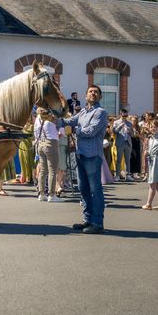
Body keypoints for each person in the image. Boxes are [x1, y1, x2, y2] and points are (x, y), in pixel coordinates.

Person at [57, 85, 109, 234]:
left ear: (100, 97)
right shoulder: (83, 112)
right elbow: (67, 122)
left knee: (95, 190)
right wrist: (52, 117)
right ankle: (88, 219)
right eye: (90, 92)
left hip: (92, 155)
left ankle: (97, 223)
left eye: (96, 92)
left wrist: (74, 130)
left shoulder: (101, 113)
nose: (93, 94)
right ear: (85, 96)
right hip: (81, 154)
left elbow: (90, 131)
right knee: (84, 189)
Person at [34, 107, 61, 202]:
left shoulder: (37, 120)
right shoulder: (51, 121)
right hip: (50, 144)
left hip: (40, 144)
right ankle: (51, 195)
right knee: (52, 170)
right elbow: (59, 133)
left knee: (43, 170)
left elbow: (36, 134)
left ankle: (41, 194)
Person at [113, 108, 133, 181]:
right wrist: (120, 126)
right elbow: (114, 131)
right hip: (120, 142)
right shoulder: (116, 122)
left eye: (126, 115)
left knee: (128, 160)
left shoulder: (129, 123)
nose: (125, 117)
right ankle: (117, 175)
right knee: (119, 159)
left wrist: (130, 130)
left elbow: (133, 135)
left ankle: (128, 175)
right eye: (124, 115)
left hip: (127, 143)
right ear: (120, 114)